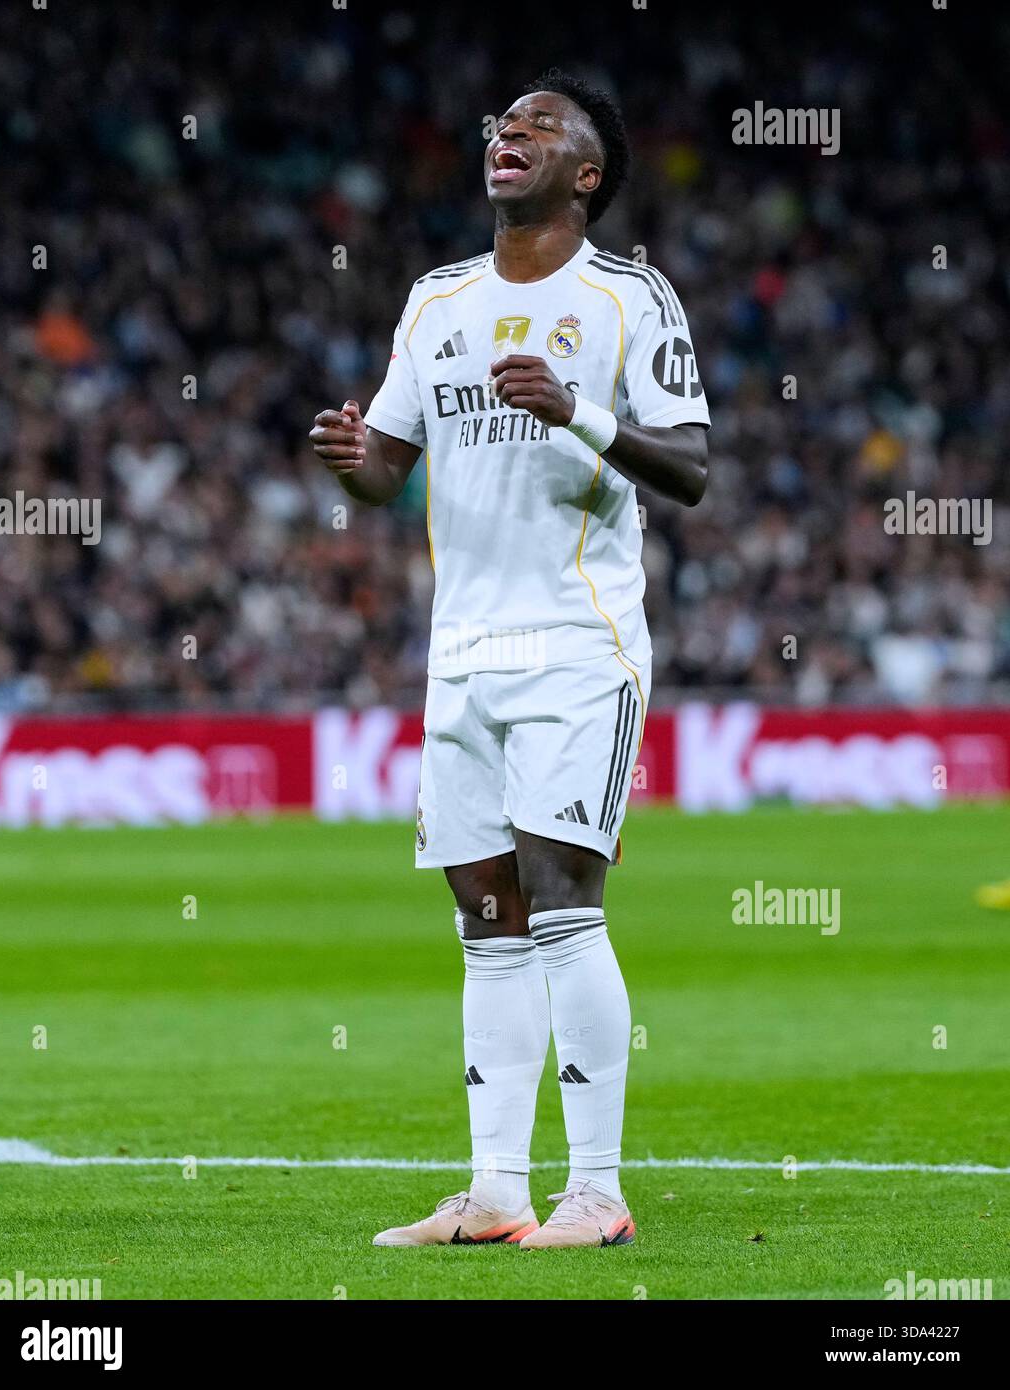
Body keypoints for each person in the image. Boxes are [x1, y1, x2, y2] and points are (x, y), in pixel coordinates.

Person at [310, 68, 710, 1249]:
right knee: (483, 919)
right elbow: (387, 472)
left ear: (587, 175)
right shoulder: (436, 300)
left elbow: (691, 466)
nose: (509, 134)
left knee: (564, 910)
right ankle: (495, 1191)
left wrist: (575, 411)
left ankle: (595, 1191)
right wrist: (349, 457)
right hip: (463, 650)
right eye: (503, 123)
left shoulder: (628, 296)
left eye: (541, 127)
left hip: (578, 644)